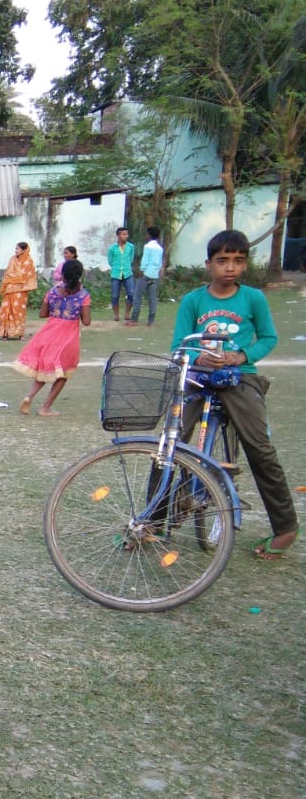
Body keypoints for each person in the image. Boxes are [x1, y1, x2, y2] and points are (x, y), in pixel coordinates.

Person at [172, 229, 298, 559]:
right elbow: (179, 345)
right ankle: (155, 521)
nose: (230, 267)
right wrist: (199, 358)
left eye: (238, 261)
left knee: (259, 447)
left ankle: (285, 528)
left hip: (240, 377)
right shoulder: (193, 300)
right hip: (199, 377)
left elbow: (268, 338)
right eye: (222, 260)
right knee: (170, 442)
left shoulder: (253, 298)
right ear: (208, 264)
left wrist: (240, 356)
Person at [14, 258, 92, 417]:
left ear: (62, 274)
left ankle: (30, 396)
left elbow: (43, 313)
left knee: (44, 368)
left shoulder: (53, 291)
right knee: (63, 373)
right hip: (68, 336)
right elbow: (86, 321)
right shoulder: (83, 295)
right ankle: (45, 407)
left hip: (50, 332)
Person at [0, 241, 37, 340]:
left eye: (17, 249)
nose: (15, 251)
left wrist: (15, 278)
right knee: (6, 310)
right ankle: (5, 333)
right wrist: (14, 279)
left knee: (18, 312)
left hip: (21, 291)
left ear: (24, 250)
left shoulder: (28, 261)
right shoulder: (12, 259)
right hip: (9, 289)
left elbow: (25, 276)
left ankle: (19, 334)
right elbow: (8, 273)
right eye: (15, 248)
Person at [129, 226, 164, 326]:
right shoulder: (160, 248)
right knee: (152, 299)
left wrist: (141, 270)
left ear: (149, 235)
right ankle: (151, 321)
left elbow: (145, 260)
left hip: (146, 273)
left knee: (137, 297)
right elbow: (159, 262)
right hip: (154, 275)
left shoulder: (148, 246)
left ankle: (134, 319)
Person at [107, 226, 135, 322]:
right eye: (123, 234)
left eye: (127, 234)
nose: (126, 236)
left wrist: (126, 266)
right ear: (118, 235)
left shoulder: (131, 247)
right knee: (115, 295)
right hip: (116, 274)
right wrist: (116, 267)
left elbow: (131, 258)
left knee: (131, 294)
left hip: (128, 273)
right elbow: (110, 260)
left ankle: (127, 314)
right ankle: (116, 315)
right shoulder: (112, 248)